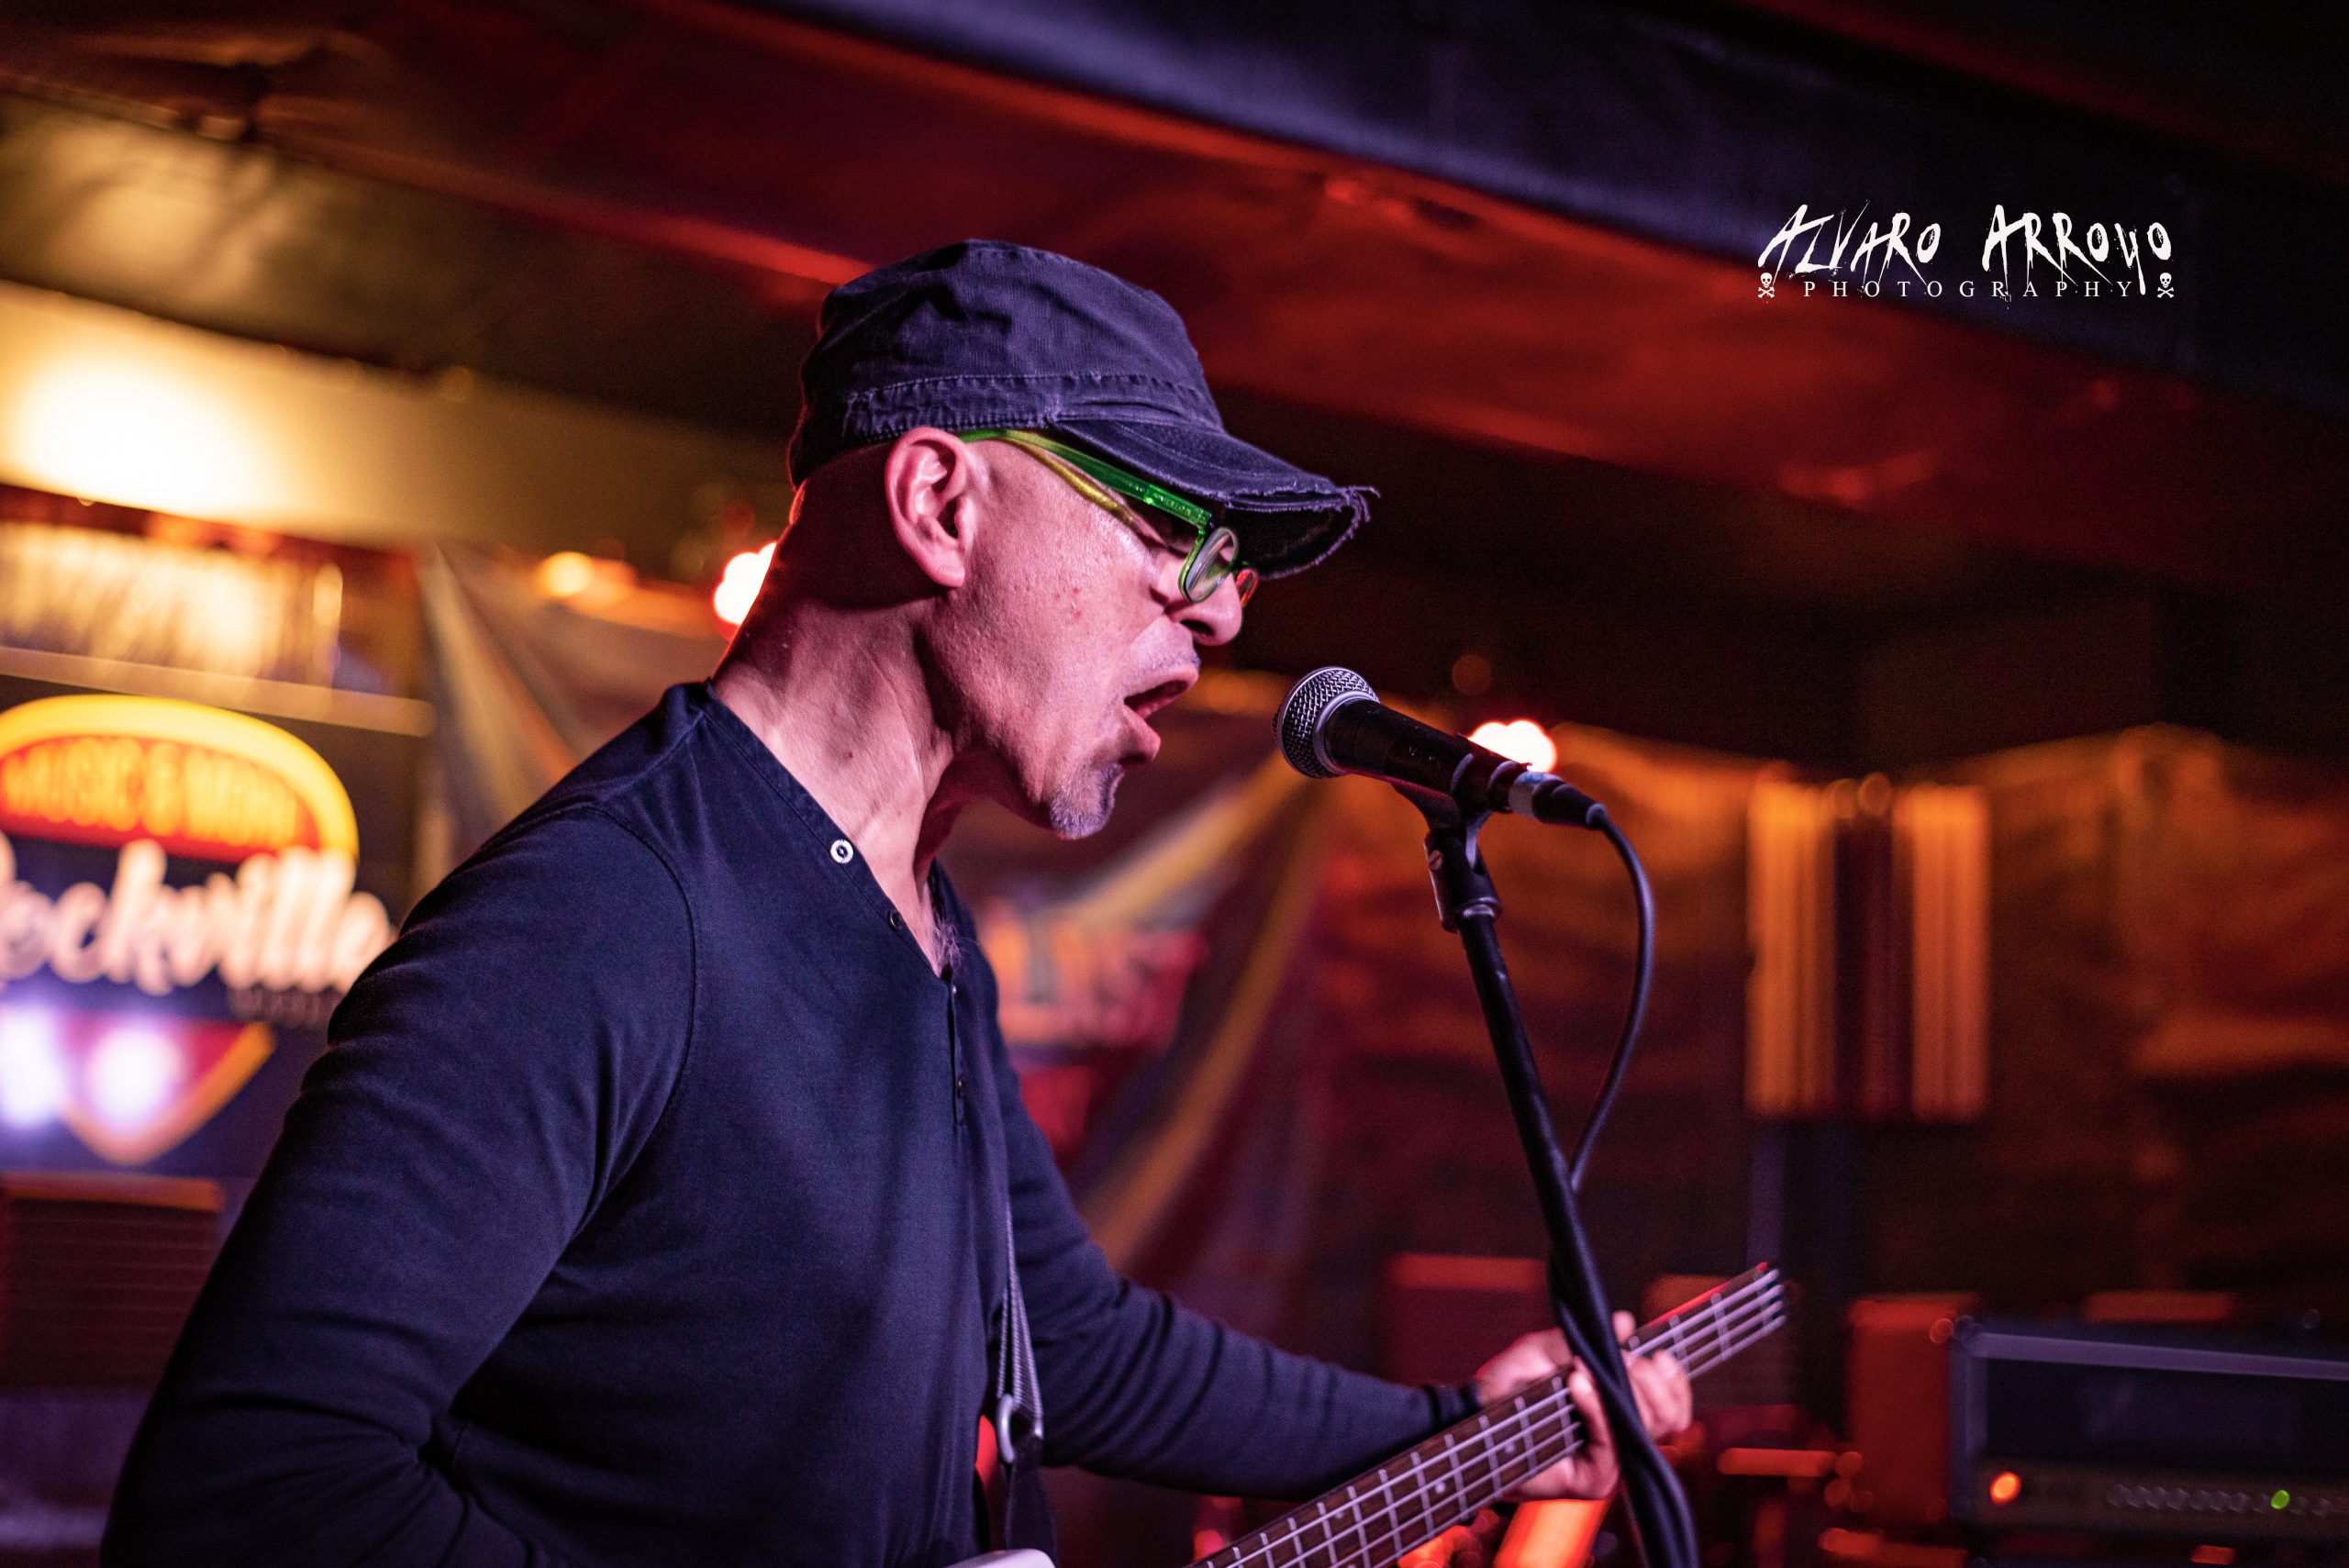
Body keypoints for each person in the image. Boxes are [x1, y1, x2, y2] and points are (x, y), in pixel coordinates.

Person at [105, 241, 1689, 1568]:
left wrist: (1472, 1429)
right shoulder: (602, 917)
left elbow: (1070, 1343)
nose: (1213, 615)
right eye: (1167, 530)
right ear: (939, 503)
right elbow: (251, 1492)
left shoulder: (929, 933)